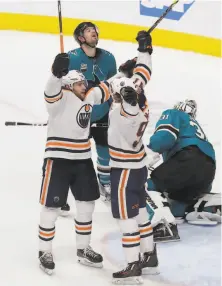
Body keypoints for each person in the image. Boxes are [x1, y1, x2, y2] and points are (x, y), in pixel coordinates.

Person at [38, 52, 119, 274]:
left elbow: (107, 87)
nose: (85, 86)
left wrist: (126, 70)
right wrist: (56, 73)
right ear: (68, 85)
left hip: (83, 160)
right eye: (80, 83)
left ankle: (83, 249)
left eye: (85, 83)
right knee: (52, 207)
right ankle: (44, 250)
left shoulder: (89, 96)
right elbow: (50, 90)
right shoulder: (59, 99)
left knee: (86, 206)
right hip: (58, 159)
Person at [108, 31, 159, 285]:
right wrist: (144, 50)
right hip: (139, 168)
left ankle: (132, 264)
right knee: (140, 215)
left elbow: (117, 96)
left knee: (125, 218)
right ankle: (149, 255)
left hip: (124, 171)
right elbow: (143, 74)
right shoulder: (140, 101)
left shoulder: (121, 113)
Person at [58, 21, 117, 212]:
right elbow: (60, 86)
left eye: (95, 30)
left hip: (101, 113)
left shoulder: (109, 58)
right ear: (81, 38)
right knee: (69, 155)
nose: (94, 33)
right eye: (89, 31)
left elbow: (113, 87)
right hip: (78, 116)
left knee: (105, 151)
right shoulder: (71, 58)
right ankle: (60, 191)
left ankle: (106, 184)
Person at [145, 99, 217, 242]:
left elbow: (164, 137)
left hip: (187, 159)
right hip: (209, 167)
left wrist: (146, 153)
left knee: (145, 183)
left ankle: (162, 224)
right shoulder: (195, 127)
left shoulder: (174, 113)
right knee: (177, 205)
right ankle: (204, 204)